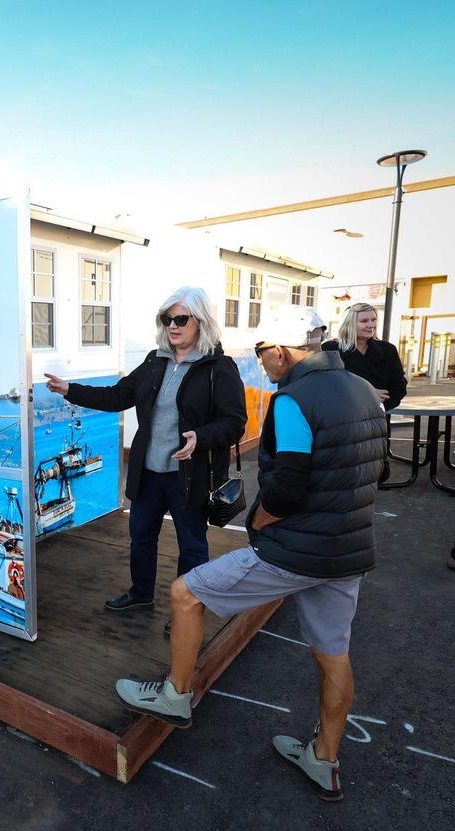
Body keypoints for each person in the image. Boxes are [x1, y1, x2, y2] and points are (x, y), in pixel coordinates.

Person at [114, 306, 388, 802]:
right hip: (349, 551)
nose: (263, 366)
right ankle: (324, 759)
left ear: (282, 351)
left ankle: (176, 696)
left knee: (186, 594)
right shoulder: (365, 390)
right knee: (333, 656)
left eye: (263, 355)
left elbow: (288, 487)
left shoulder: (292, 399)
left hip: (297, 549)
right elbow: (379, 472)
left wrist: (258, 521)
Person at [44, 287, 246, 626]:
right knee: (140, 537)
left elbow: (235, 423)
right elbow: (118, 396)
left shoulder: (218, 368)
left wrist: (201, 436)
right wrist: (70, 390)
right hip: (149, 473)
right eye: (167, 319)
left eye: (181, 319)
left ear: (201, 321)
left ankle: (186, 609)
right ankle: (141, 593)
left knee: (192, 546)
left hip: (189, 475)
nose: (173, 326)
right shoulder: (155, 361)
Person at [323, 302, 407, 410]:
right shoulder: (330, 349)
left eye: (374, 319)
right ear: (349, 324)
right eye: (364, 321)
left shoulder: (388, 350)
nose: (371, 325)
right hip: (342, 417)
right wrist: (366, 394)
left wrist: (380, 407)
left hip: (377, 417)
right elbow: (326, 385)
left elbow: (399, 387)